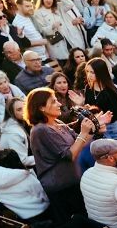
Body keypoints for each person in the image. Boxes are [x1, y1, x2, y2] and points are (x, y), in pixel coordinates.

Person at [25, 85, 99, 220]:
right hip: (63, 188)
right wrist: (83, 132)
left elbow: (80, 143)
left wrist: (95, 127)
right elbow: (70, 155)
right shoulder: (40, 130)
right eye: (53, 101)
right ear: (41, 108)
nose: (59, 104)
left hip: (74, 182)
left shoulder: (56, 122)